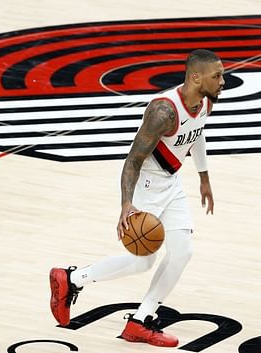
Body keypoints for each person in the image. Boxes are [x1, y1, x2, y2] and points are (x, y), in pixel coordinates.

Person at [49, 49, 225, 347]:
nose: (223, 81)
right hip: (145, 184)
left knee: (182, 252)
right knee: (143, 261)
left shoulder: (205, 100)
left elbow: (197, 133)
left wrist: (204, 177)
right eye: (217, 75)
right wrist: (126, 205)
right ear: (196, 77)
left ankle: (140, 322)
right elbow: (132, 160)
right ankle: (72, 279)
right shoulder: (163, 112)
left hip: (170, 182)